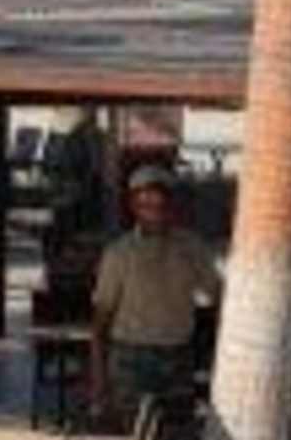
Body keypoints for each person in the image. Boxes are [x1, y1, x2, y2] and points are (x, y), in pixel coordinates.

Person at [89, 164, 221, 421]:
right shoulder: (119, 253)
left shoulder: (191, 248)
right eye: (145, 204)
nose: (153, 212)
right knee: (134, 431)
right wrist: (98, 383)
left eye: (160, 204)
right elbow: (101, 319)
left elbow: (218, 295)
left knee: (176, 431)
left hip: (178, 356)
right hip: (131, 359)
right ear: (133, 207)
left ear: (171, 206)